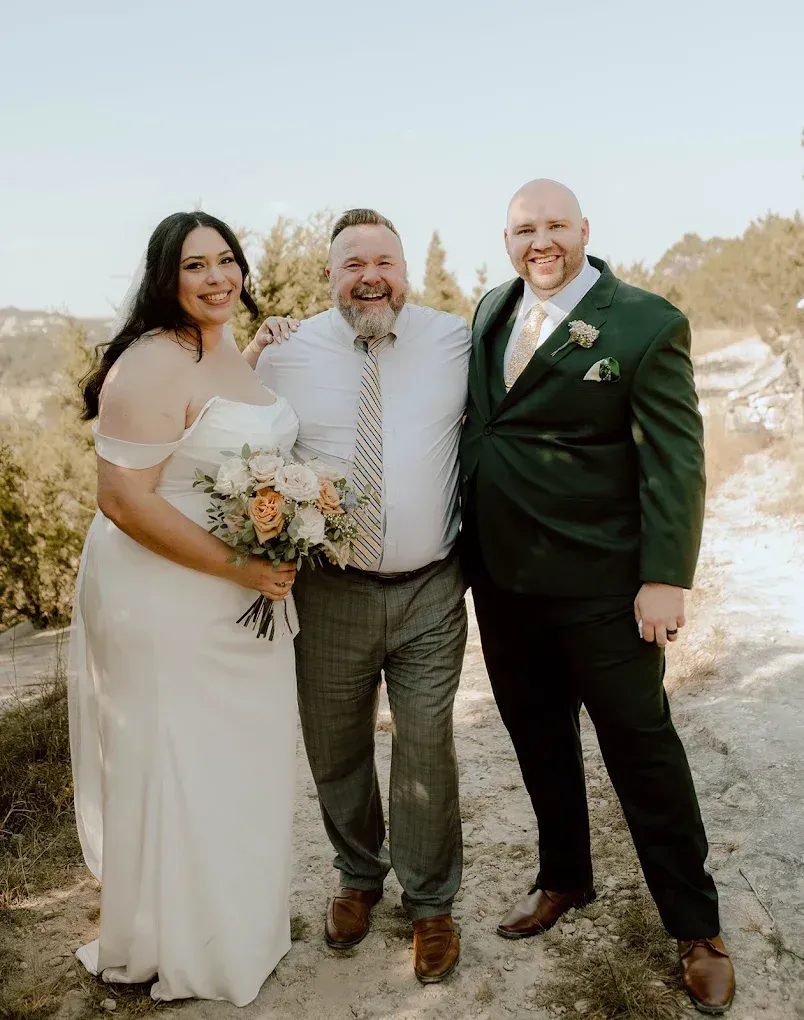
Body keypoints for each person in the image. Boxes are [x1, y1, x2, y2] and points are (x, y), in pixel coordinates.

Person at [459, 179, 735, 1015]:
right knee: (538, 742)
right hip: (503, 585)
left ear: (584, 229)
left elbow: (675, 461)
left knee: (642, 752)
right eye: (521, 229)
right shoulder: (488, 312)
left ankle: (697, 928)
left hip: (606, 590)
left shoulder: (645, 322)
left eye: (553, 226)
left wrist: (664, 579)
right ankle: (564, 878)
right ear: (505, 240)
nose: (538, 242)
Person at [69, 212, 299, 1006]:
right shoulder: (150, 360)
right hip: (166, 597)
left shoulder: (225, 344)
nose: (216, 277)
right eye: (195, 265)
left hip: (243, 596)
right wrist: (243, 565)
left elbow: (217, 431)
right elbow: (123, 499)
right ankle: (178, 944)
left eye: (227, 260)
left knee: (241, 762)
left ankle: (238, 929)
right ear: (165, 277)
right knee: (181, 762)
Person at [244, 208, 470, 983]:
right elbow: (236, 444)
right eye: (352, 264)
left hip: (432, 589)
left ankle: (432, 902)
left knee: (426, 745)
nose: (370, 276)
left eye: (384, 261)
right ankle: (358, 877)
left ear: (405, 271)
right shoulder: (286, 353)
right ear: (330, 278)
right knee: (335, 745)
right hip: (331, 592)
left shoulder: (456, 340)